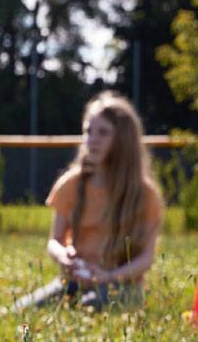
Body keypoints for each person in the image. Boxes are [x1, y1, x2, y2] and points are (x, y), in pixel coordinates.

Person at [15, 92, 165, 311]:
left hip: (121, 284)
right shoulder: (71, 184)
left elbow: (146, 258)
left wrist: (109, 276)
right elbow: (54, 241)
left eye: (103, 133)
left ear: (123, 139)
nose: (92, 139)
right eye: (88, 131)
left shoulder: (145, 194)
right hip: (76, 281)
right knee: (22, 310)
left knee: (92, 306)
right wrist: (63, 256)